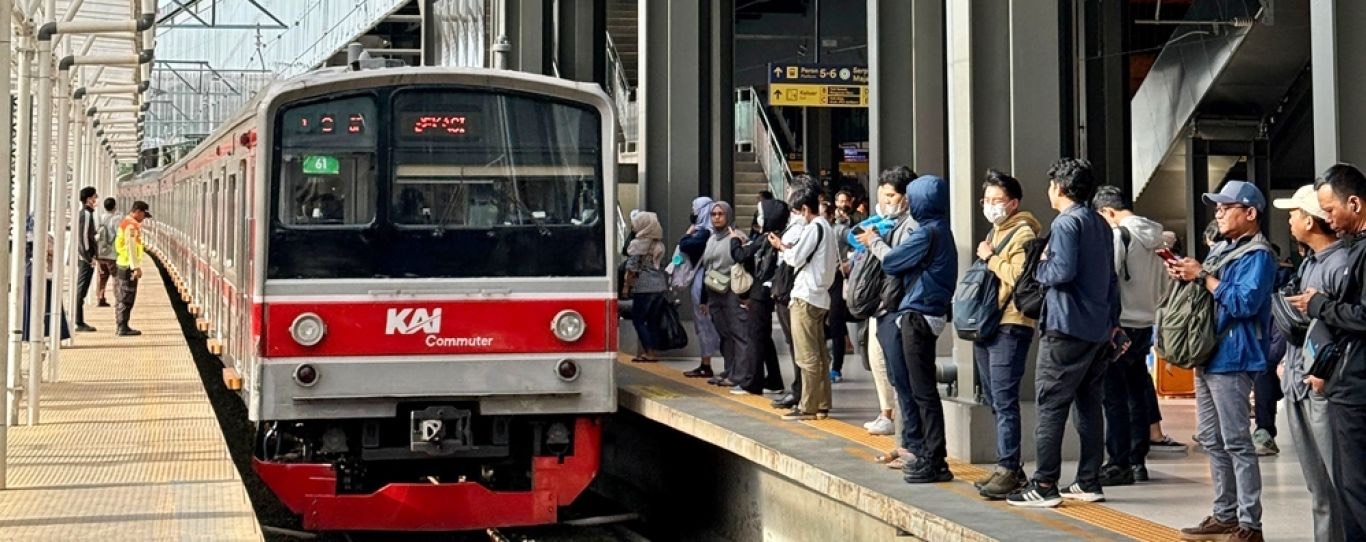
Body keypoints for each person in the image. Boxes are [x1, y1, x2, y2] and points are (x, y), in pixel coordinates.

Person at [1167, 180, 1274, 542]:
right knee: (1212, 439)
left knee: (1237, 441)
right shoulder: (1224, 250)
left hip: (1233, 354)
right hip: (1209, 352)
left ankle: (1250, 524)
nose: (1219, 212)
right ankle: (1225, 513)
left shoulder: (1258, 255)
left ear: (1250, 213)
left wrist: (1204, 277)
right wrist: (1188, 274)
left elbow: (1244, 302)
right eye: (1217, 206)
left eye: (1226, 206)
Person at [1007, 158, 1118, 508]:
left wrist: (1039, 263)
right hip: (1097, 329)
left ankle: (1044, 485)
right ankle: (1088, 480)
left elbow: (1061, 272)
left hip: (1066, 327)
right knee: (1088, 405)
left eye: (1051, 184)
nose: (1049, 190)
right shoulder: (1100, 222)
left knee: (1051, 406)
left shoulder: (1066, 224)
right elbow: (1110, 278)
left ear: (1060, 188)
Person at [859, 174, 956, 484]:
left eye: (912, 198)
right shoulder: (940, 230)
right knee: (920, 389)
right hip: (926, 313)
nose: (906, 203)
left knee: (922, 391)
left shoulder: (927, 233)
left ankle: (934, 458)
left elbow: (891, 260)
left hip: (918, 315)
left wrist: (873, 239)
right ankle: (930, 455)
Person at [1286, 164, 1366, 542]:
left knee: (1352, 488)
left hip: (1352, 385)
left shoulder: (1351, 258)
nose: (1327, 217)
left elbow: (1360, 317)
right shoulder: (1340, 256)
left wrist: (1319, 306)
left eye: (1330, 209)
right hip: (1342, 379)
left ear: (1355, 203)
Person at [1272, 183, 1347, 542]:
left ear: (1313, 220)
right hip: (1300, 380)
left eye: (1296, 213)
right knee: (1318, 484)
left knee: (1337, 481)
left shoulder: (1341, 263)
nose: (1290, 219)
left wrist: (1323, 372)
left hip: (1322, 385)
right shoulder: (1311, 263)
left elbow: (1340, 327)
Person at [1091, 185, 1171, 486]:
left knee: (1114, 396)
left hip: (1120, 325)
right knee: (1138, 392)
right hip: (1145, 324)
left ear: (1108, 212)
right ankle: (1138, 461)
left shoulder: (1118, 235)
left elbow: (1108, 281)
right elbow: (1165, 286)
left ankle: (1118, 462)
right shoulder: (1156, 239)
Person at [971, 170, 1042, 498]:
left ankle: (1009, 468)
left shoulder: (1023, 232)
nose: (990, 206)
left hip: (1011, 323)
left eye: (997, 201)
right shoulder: (998, 229)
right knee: (994, 398)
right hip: (990, 322)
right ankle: (1008, 466)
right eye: (986, 200)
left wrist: (990, 257)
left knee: (1005, 398)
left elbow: (1018, 275)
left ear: (1013, 203)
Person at [769, 176, 837, 421]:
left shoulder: (813, 227)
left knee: (806, 355)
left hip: (805, 297)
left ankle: (807, 406)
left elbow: (795, 258)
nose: (797, 216)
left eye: (798, 211)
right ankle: (822, 404)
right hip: (820, 297)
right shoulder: (827, 228)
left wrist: (781, 247)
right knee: (818, 354)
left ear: (806, 209)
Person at [729, 198, 790, 395]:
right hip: (766, 293)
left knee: (755, 338)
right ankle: (774, 380)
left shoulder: (767, 239)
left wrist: (734, 240)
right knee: (764, 338)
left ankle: (752, 383)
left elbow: (740, 255)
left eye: (763, 215)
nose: (759, 218)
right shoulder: (773, 237)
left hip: (760, 294)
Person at [697, 202, 753, 389]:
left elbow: (744, 262)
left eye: (721, 214)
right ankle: (730, 369)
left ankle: (740, 374)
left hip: (732, 291)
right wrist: (704, 299)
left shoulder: (736, 237)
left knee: (739, 334)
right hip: (714, 291)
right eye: (713, 214)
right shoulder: (712, 238)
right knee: (725, 334)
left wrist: (746, 295)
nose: (717, 217)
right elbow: (707, 266)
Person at [679, 197, 724, 378]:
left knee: (705, 324)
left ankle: (707, 364)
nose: (693, 211)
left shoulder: (704, 234)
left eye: (695, 208)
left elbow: (684, 245)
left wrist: (687, 234)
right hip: (708, 282)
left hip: (704, 283)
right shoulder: (713, 233)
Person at [624, 211, 668, 362]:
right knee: (653, 320)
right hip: (660, 286)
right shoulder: (659, 244)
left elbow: (631, 268)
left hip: (644, 287)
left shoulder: (637, 244)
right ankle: (652, 351)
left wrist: (626, 287)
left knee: (638, 319)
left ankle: (648, 351)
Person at [114, 200, 152, 336]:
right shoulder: (131, 226)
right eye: (143, 215)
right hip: (127, 265)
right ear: (137, 211)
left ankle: (122, 325)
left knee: (123, 296)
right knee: (126, 297)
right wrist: (136, 267)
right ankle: (122, 327)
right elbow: (130, 247)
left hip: (123, 263)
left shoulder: (126, 223)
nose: (143, 219)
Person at [73, 186, 99, 332]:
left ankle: (80, 320)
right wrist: (89, 258)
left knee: (82, 289)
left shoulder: (86, 214)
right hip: (85, 259)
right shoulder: (86, 215)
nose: (96, 199)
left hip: (85, 257)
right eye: (95, 196)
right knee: (81, 290)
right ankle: (79, 322)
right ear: (89, 199)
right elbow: (83, 238)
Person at [94, 197, 120, 307]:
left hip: (101, 253)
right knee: (116, 276)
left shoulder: (100, 218)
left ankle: (100, 298)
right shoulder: (116, 219)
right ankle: (118, 300)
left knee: (102, 276)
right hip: (112, 254)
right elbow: (119, 235)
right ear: (114, 206)